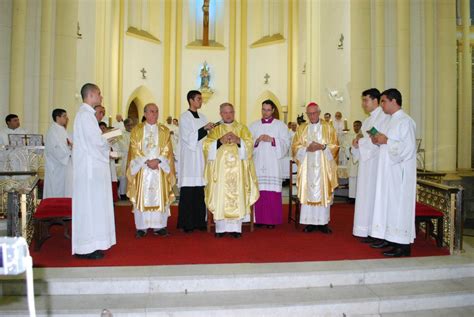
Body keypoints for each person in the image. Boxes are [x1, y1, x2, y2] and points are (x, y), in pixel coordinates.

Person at [370, 88, 417, 257]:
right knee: (390, 206)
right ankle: (392, 240)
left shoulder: (405, 121)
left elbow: (409, 149)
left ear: (393, 101)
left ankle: (402, 246)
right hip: (388, 173)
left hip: (399, 174)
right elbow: (387, 143)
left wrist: (387, 140)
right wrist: (378, 140)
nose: (381, 105)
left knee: (399, 207)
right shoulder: (390, 121)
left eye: (383, 101)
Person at [72, 83, 115, 259]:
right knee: (89, 208)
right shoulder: (85, 116)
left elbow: (95, 141)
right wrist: (109, 141)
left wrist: (106, 145)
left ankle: (94, 243)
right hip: (89, 172)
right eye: (99, 93)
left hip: (93, 169)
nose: (101, 96)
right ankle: (85, 248)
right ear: (90, 95)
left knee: (94, 207)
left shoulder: (87, 115)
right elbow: (95, 142)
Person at [203, 103, 259, 238]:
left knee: (237, 195)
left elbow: (250, 146)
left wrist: (239, 140)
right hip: (221, 172)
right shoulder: (215, 130)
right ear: (220, 114)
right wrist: (219, 141)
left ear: (234, 113)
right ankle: (220, 229)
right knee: (221, 195)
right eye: (225, 112)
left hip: (238, 171)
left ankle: (236, 229)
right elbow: (206, 147)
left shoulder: (242, 129)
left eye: (231, 112)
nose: (228, 115)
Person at [127, 103, 176, 238]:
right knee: (141, 195)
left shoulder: (164, 130)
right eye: (151, 111)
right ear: (145, 113)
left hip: (159, 169)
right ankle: (141, 227)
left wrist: (158, 160)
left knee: (159, 195)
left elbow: (168, 149)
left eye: (156, 111)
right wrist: (146, 161)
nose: (154, 114)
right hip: (143, 169)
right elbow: (134, 149)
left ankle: (159, 226)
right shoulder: (136, 130)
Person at [292, 102, 339, 234]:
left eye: (314, 113)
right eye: (309, 114)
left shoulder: (328, 128)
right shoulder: (302, 128)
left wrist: (323, 147)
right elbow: (295, 147)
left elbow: (335, 146)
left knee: (323, 191)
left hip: (323, 168)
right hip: (308, 168)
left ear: (319, 112)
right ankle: (310, 222)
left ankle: (323, 223)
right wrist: (307, 148)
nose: (312, 116)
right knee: (309, 191)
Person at [351, 88, 390, 241]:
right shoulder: (367, 120)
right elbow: (366, 139)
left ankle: (375, 232)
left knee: (374, 197)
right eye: (363, 100)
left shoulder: (383, 117)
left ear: (375, 100)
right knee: (365, 196)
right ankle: (365, 229)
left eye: (365, 100)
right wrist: (356, 143)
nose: (363, 104)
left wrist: (360, 142)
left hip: (376, 164)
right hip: (366, 165)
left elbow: (377, 140)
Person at [177, 90, 215, 232]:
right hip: (189, 158)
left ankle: (200, 221)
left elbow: (207, 138)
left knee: (200, 190)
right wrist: (204, 128)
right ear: (191, 100)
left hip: (201, 158)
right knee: (188, 191)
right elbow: (188, 138)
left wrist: (210, 130)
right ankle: (187, 224)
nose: (201, 101)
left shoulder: (203, 116)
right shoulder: (184, 117)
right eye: (198, 99)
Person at [249, 100, 290, 228]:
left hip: (273, 164)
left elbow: (286, 144)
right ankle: (258, 219)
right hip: (258, 162)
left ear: (272, 110)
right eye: (263, 109)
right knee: (259, 190)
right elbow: (247, 144)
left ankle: (271, 220)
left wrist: (272, 140)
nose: (265, 112)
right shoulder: (253, 126)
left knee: (272, 192)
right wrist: (256, 141)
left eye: (268, 110)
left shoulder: (280, 126)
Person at [43, 109, 73, 198]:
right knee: (56, 189)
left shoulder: (61, 129)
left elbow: (66, 144)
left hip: (62, 164)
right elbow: (56, 149)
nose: (66, 118)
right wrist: (69, 153)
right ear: (57, 117)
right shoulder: (53, 131)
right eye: (64, 116)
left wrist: (70, 147)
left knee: (63, 188)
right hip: (56, 166)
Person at [117, 118, 133, 200]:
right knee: (123, 175)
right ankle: (123, 193)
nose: (130, 126)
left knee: (132, 175)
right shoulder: (121, 134)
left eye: (131, 125)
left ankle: (131, 193)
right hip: (124, 157)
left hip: (133, 157)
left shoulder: (134, 134)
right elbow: (121, 146)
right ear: (125, 125)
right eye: (128, 125)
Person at [347, 120, 362, 202]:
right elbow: (346, 146)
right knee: (352, 179)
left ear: (361, 126)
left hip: (359, 161)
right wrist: (348, 149)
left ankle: (357, 197)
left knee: (358, 179)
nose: (356, 127)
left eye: (357, 125)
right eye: (354, 126)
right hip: (352, 161)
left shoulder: (362, 136)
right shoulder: (350, 136)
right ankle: (351, 197)